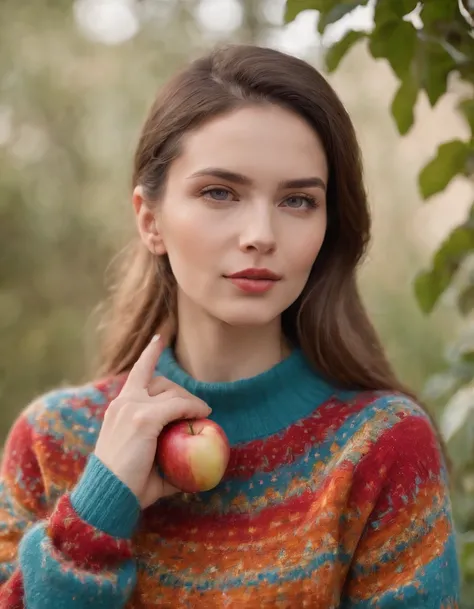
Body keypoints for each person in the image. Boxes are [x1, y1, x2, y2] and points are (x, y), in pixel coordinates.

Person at [0, 44, 459, 609]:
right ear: (151, 220)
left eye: (297, 200)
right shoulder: (53, 441)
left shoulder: (382, 447)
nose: (260, 234)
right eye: (220, 192)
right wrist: (95, 511)